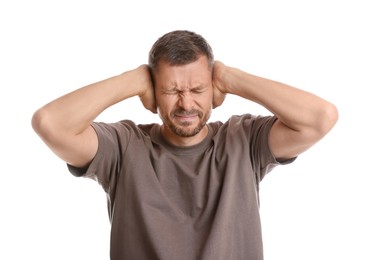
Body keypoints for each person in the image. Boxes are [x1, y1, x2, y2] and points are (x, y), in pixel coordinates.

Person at [31, 30, 338, 260]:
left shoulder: (245, 139)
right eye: (171, 90)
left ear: (214, 90)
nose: (186, 103)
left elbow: (320, 118)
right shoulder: (123, 147)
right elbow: (50, 123)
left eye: (197, 88)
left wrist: (231, 77)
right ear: (152, 92)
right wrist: (133, 80)